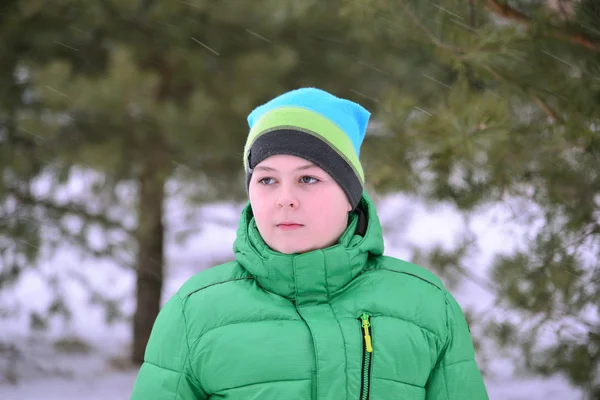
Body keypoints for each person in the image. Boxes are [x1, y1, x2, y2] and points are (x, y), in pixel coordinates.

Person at [130, 87, 489, 399]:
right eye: (267, 181)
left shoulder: (426, 305)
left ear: (350, 194)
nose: (285, 198)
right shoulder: (195, 312)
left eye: (308, 178)